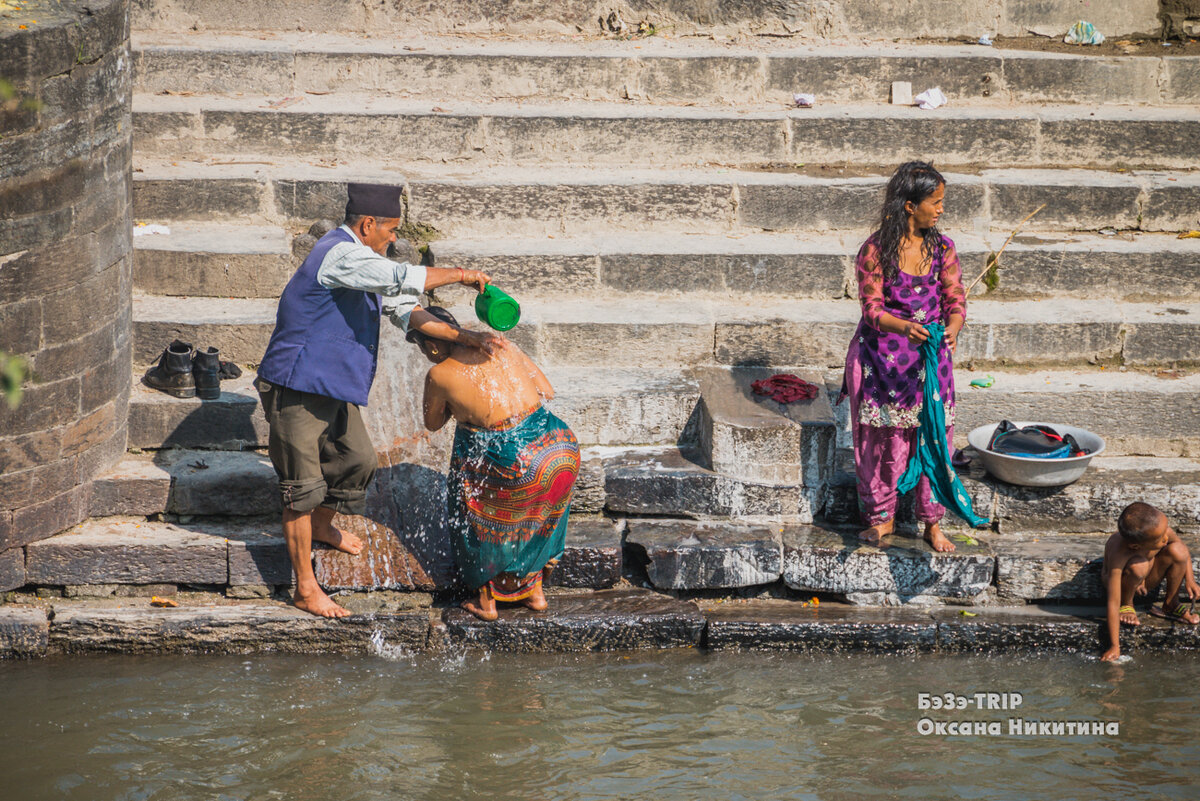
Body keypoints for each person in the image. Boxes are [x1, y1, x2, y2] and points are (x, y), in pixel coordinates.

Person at [256, 183, 500, 618]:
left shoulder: (368, 262)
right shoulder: (340, 254)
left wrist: (468, 337)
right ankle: (305, 588)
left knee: (359, 461)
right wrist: (463, 274)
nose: (393, 239)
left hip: (330, 384)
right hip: (296, 384)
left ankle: (323, 526)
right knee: (300, 489)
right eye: (389, 230)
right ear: (367, 224)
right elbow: (403, 279)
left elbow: (408, 309)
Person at [411, 307, 580, 621]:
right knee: (538, 516)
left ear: (431, 345)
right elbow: (547, 390)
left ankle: (486, 600)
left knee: (471, 498)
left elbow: (433, 423)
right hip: (559, 447)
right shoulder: (500, 345)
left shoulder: (439, 373)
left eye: (423, 349)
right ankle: (535, 592)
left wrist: (461, 407)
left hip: (517, 459)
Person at [840, 162, 966, 553]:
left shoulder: (942, 248)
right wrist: (904, 327)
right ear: (910, 206)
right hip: (885, 362)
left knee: (934, 440)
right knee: (885, 443)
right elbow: (872, 308)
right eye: (935, 202)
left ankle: (932, 522)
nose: (941, 209)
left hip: (930, 362)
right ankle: (883, 517)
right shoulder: (875, 250)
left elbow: (955, 295)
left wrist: (955, 326)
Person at [1101, 502, 1199, 662]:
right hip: (1125, 581)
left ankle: (1171, 604)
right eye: (1160, 539)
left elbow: (1181, 547)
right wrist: (1114, 646)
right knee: (1139, 566)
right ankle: (1128, 605)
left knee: (1178, 551)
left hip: (1148, 576)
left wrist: (1190, 579)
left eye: (1165, 532)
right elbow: (1112, 601)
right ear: (1135, 546)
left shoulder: (1160, 530)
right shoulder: (1120, 551)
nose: (1166, 538)